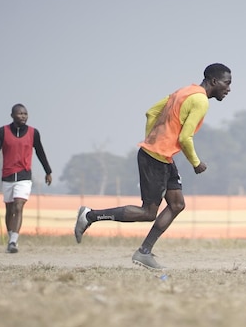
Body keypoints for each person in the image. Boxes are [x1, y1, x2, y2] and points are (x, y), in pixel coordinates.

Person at [74, 63, 232, 270]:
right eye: (227, 83)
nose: (228, 89)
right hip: (155, 157)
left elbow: (151, 112)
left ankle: (144, 252)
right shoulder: (201, 100)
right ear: (214, 81)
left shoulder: (184, 91)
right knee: (148, 212)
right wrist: (196, 163)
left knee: (177, 205)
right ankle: (90, 215)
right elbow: (185, 137)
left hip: (161, 156)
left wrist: (153, 139)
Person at [0, 103, 53, 253]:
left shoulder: (34, 133)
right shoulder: (2, 132)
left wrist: (48, 171)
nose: (23, 116)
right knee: (9, 209)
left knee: (18, 206)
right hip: (7, 175)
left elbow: (40, 152)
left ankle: (14, 241)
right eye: (20, 113)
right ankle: (11, 239)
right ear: (12, 115)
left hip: (24, 176)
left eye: (25, 114)